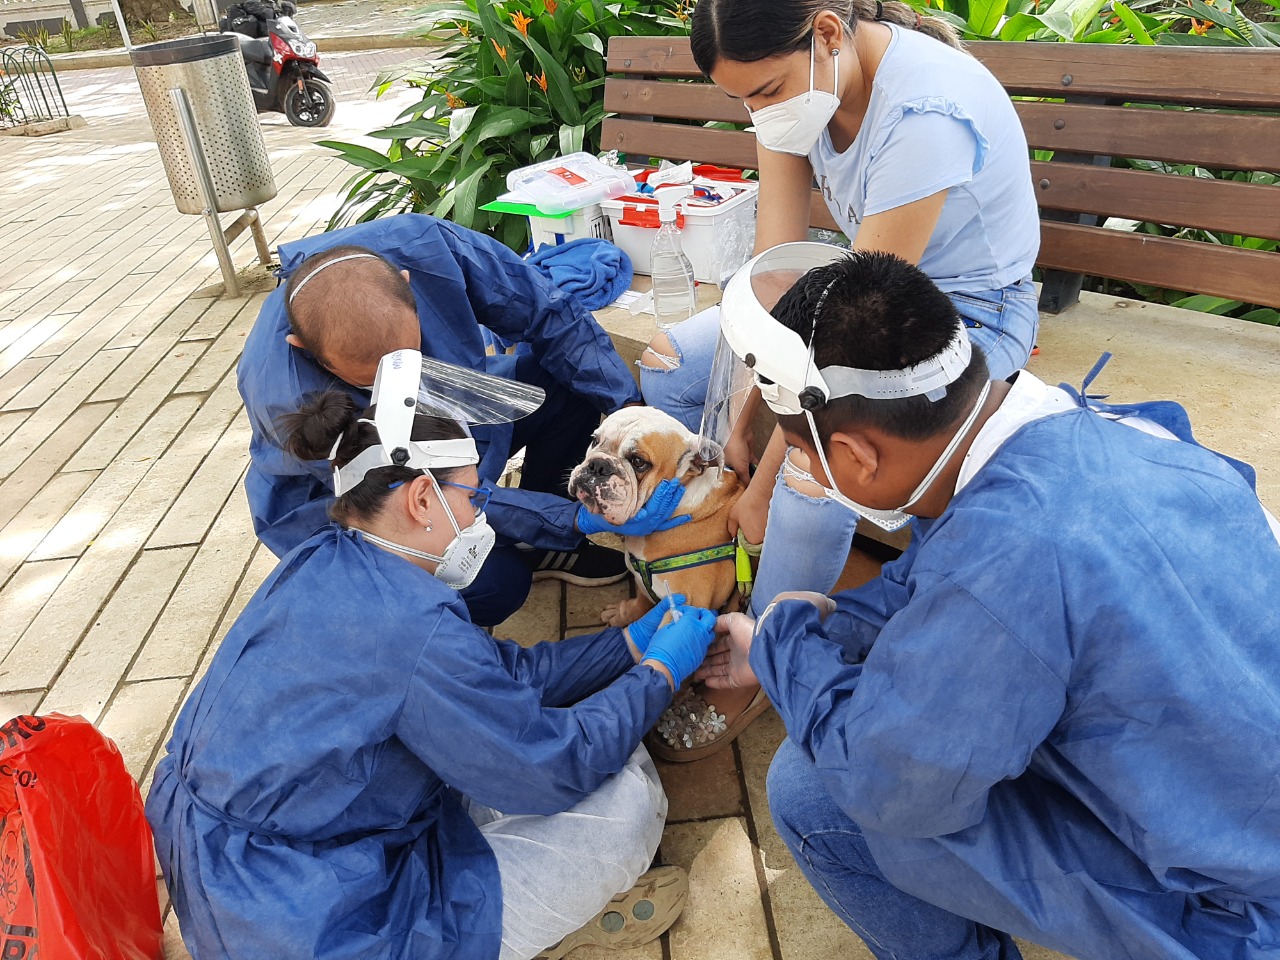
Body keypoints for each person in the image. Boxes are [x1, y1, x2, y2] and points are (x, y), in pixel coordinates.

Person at [695, 248, 1280, 959]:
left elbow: (890, 785)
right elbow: (945, 590)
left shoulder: (1005, 565)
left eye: (801, 455)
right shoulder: (1109, 433)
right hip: (1240, 801)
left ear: (856, 454)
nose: (806, 472)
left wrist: (781, 644)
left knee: (814, 791)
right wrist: (818, 627)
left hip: (1238, 909)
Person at [147, 388, 720, 960]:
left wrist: (628, 644)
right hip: (316, 924)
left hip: (249, 868)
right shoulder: (410, 624)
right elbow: (553, 766)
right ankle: (540, 930)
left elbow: (498, 673)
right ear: (423, 499)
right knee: (626, 802)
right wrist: (659, 674)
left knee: (598, 732)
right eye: (473, 495)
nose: (478, 513)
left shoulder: (325, 557)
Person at [637, 0, 1042, 757]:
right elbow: (775, 266)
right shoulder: (801, 86)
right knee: (668, 366)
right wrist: (738, 404)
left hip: (957, 316)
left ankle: (768, 654)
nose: (758, 113)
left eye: (764, 93)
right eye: (742, 101)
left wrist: (758, 487)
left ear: (826, 32)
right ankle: (711, 572)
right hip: (851, 292)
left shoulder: (926, 113)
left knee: (810, 474)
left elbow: (843, 338)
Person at [237, 213, 647, 627]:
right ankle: (420, 619)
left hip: (452, 410)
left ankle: (539, 546)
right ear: (303, 348)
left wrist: (633, 415)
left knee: (564, 383)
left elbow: (549, 314)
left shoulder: (429, 247)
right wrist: (572, 519)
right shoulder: (284, 394)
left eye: (409, 359)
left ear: (408, 284)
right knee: (495, 583)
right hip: (359, 495)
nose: (403, 380)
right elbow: (416, 486)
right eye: (373, 379)